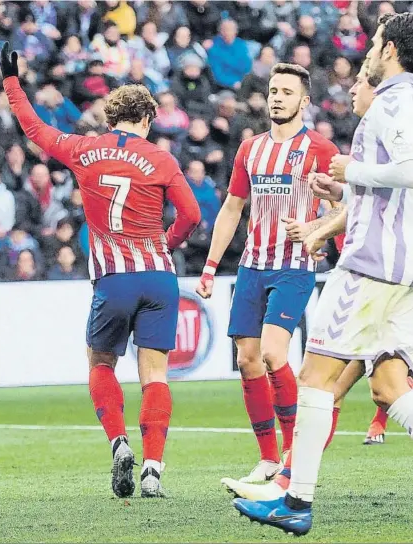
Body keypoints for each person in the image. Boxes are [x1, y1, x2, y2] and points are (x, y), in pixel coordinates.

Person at [233, 13, 413, 535]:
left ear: (392, 50)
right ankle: (292, 494)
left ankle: (295, 500)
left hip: (370, 268)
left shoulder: (392, 102)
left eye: (376, 42)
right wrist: (346, 195)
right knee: (388, 387)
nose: (370, 50)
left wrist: (350, 172)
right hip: (401, 271)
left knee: (314, 379)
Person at [0, 42, 201, 498]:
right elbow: (190, 215)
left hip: (113, 280)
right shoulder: (162, 158)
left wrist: (12, 83)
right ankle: (153, 469)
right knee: (155, 375)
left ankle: (118, 443)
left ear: (110, 119)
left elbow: (34, 128)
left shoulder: (84, 149)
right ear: (147, 120)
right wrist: (164, 247)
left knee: (101, 362)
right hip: (158, 278)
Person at [196, 63, 341, 484]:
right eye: (274, 90)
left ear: (304, 101)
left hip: (294, 267)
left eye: (286, 91)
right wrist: (209, 266)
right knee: (247, 360)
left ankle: (296, 452)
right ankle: (267, 457)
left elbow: (344, 210)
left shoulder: (321, 149)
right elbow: (232, 209)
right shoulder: (249, 150)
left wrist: (313, 229)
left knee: (276, 353)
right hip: (251, 266)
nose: (277, 97)